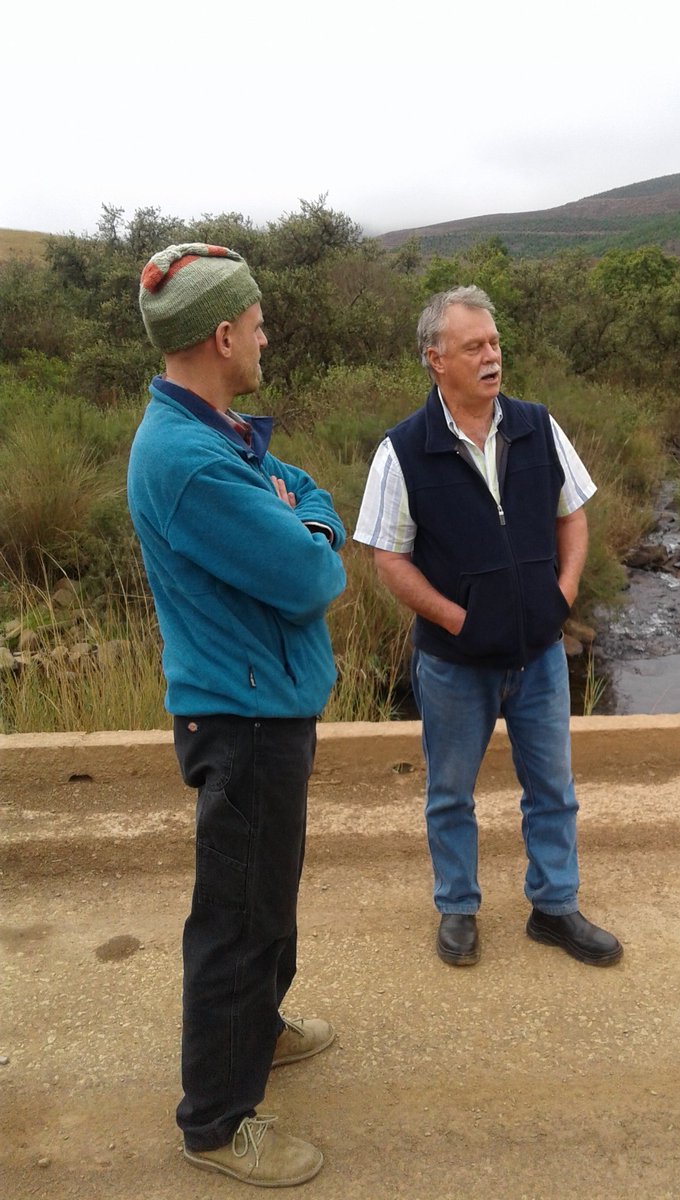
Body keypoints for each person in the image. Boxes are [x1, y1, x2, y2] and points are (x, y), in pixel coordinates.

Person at [127, 244, 346, 1187]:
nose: (266, 335)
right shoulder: (191, 460)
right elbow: (312, 575)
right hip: (243, 718)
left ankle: (260, 1029)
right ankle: (215, 1122)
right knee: (237, 919)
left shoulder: (221, 433)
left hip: (263, 707)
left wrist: (304, 512)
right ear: (222, 334)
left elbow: (315, 499)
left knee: (268, 900)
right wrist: (304, 528)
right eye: (257, 322)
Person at [354, 285, 623, 970]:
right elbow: (388, 556)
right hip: (453, 661)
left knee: (553, 791)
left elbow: (574, 515)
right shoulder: (403, 450)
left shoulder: (538, 425)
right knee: (450, 794)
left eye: (495, 343)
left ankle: (555, 907)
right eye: (474, 346)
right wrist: (457, 619)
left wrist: (560, 595)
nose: (491, 356)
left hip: (538, 653)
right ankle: (458, 908)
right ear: (434, 359)